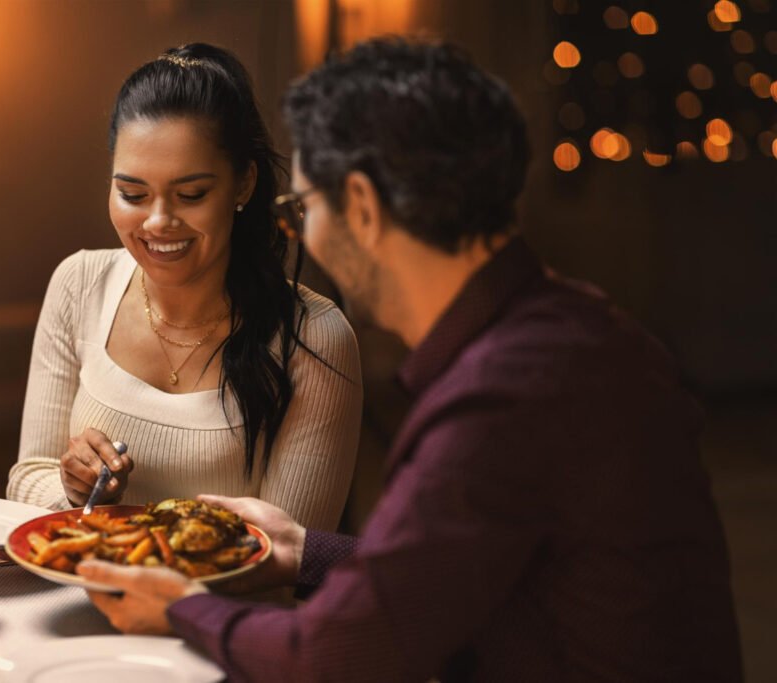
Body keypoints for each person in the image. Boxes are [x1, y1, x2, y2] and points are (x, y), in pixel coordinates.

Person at [76, 38, 743, 682]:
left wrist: (179, 608)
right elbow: (463, 567)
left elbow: (334, 660)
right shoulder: (577, 330)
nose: (301, 232)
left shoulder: (502, 395)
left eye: (303, 207)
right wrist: (305, 549)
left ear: (361, 207)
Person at [7, 43, 362, 532]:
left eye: (191, 195)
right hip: (74, 595)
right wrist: (70, 491)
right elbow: (27, 477)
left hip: (227, 610)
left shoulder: (314, 338)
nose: (157, 222)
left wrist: (141, 545)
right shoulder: (79, 284)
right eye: (132, 194)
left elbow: (289, 559)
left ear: (243, 185)